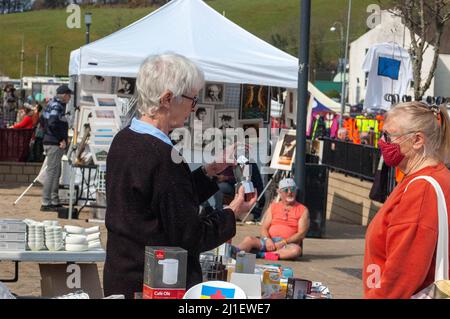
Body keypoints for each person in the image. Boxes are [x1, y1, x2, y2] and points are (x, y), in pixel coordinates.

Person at [103, 54, 257, 299]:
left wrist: (209, 171)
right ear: (166, 99)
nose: (193, 108)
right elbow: (189, 236)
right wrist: (232, 213)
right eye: (192, 100)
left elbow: (163, 201)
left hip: (123, 275)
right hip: (153, 284)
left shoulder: (125, 139)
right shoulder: (161, 156)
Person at [363, 101, 450, 299]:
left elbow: (402, 273)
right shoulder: (435, 177)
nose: (382, 142)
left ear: (417, 140)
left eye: (388, 135)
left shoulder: (422, 189)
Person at [234, 178, 310, 260]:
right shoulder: (273, 206)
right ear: (279, 192)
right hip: (269, 241)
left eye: (292, 189)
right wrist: (267, 240)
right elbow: (264, 228)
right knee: (249, 239)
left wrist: (284, 242)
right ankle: (234, 253)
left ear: (296, 191)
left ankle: (261, 255)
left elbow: (301, 234)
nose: (289, 192)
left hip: (287, 244)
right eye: (285, 190)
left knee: (296, 250)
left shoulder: (303, 210)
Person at [39, 85, 72, 211]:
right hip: (54, 143)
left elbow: (43, 121)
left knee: (56, 172)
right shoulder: (57, 106)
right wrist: (60, 139)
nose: (70, 98)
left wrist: (48, 133)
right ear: (64, 95)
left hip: (50, 141)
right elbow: (52, 123)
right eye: (69, 95)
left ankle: (53, 199)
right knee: (52, 173)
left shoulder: (51, 104)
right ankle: (46, 202)